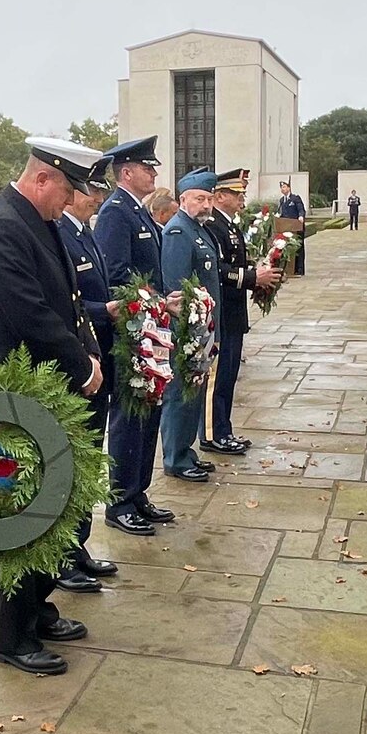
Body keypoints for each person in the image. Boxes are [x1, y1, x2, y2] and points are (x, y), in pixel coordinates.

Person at [0, 139, 106, 675]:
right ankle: (9, 634)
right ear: (42, 178)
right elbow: (29, 315)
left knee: (49, 512)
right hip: (14, 396)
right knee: (17, 516)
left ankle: (34, 607)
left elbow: (67, 302)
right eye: (66, 189)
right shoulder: (3, 226)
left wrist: (88, 350)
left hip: (45, 390)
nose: (68, 202)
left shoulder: (36, 220)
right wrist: (80, 360)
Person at [92, 137, 173, 537]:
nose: (154, 174)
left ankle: (138, 491)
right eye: (148, 168)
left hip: (150, 328)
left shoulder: (138, 213)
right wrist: (156, 300)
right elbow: (117, 276)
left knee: (149, 413)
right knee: (129, 416)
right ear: (127, 172)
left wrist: (164, 300)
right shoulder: (115, 214)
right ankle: (119, 500)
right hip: (131, 334)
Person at [54, 157, 122, 591]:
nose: (97, 197)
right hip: (78, 366)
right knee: (73, 466)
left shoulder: (84, 232)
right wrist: (106, 311)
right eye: (90, 190)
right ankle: (63, 558)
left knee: (89, 461)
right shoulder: (61, 231)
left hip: (95, 356)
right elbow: (70, 304)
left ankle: (78, 547)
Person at [201, 168, 278, 455]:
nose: (242, 197)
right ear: (220, 196)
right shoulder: (212, 225)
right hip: (221, 311)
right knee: (218, 377)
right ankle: (212, 434)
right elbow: (218, 270)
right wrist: (250, 278)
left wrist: (256, 274)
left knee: (229, 374)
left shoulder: (230, 225)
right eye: (236, 193)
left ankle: (224, 429)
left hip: (234, 311)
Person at [160, 170, 222, 482]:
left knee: (194, 394)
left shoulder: (198, 229)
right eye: (199, 198)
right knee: (180, 394)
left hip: (204, 329)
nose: (206, 204)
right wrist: (190, 332)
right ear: (183, 199)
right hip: (188, 331)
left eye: (209, 199)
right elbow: (176, 286)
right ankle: (175, 457)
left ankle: (186, 451)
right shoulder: (178, 232)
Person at [276, 180, 308, 275]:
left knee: (299, 248)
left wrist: (301, 216)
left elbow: (301, 209)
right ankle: (289, 269)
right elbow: (280, 213)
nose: (283, 189)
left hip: (296, 228)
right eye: (281, 187)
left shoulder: (295, 198)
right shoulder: (282, 200)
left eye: (285, 187)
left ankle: (300, 269)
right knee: (288, 248)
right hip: (286, 228)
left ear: (289, 188)